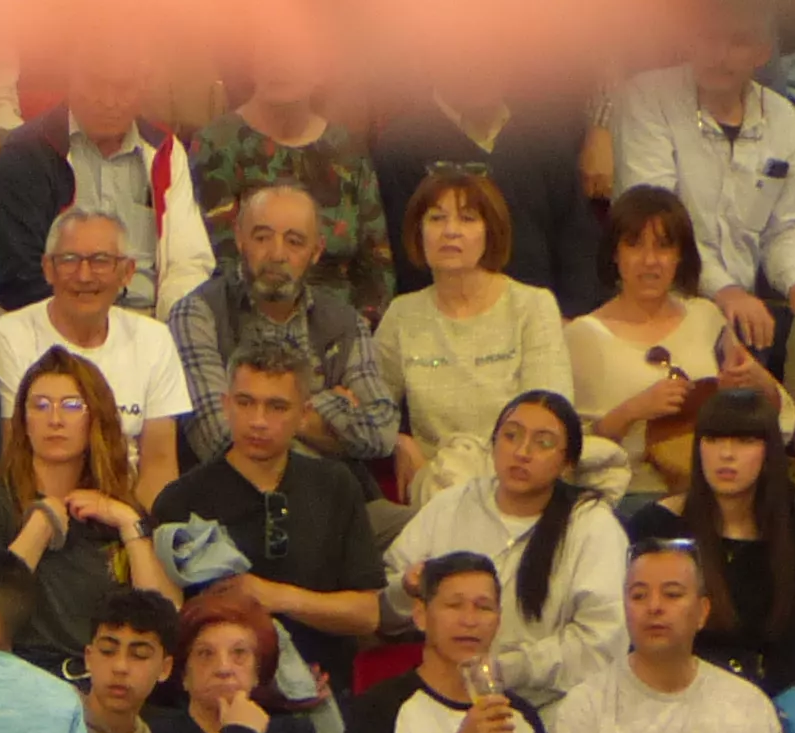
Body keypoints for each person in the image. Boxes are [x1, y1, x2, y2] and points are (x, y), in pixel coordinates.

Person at [148, 340, 384, 703]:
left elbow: (366, 614)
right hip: (215, 708)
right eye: (245, 403)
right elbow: (167, 623)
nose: (258, 421)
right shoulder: (182, 500)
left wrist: (276, 597)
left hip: (325, 698)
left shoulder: (335, 485)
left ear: (304, 414)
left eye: (276, 406)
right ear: (226, 405)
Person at [383, 388, 625, 711]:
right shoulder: (451, 505)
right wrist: (406, 588)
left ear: (567, 463)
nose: (522, 452)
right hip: (444, 700)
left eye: (543, 443)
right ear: (493, 444)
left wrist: (506, 670)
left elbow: (602, 640)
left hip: (552, 706)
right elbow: (382, 603)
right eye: (511, 436)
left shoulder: (592, 526)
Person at [608, 19, 795, 360]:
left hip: (741, 314)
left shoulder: (782, 118)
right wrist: (726, 290)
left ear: (763, 52)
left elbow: (782, 228)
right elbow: (658, 228)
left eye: (737, 41)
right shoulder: (646, 98)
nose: (718, 55)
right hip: (658, 301)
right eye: (707, 35)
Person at [367, 167, 570, 507]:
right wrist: (399, 440)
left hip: (519, 479)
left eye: (467, 219)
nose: (450, 231)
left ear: (491, 231)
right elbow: (370, 406)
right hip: (438, 485)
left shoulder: (533, 306)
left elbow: (550, 417)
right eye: (436, 218)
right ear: (419, 233)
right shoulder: (403, 314)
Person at [0, 347, 169, 673]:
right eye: (40, 406)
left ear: (95, 418)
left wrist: (130, 524)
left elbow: (162, 619)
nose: (55, 420)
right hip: (19, 672)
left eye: (71, 406)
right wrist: (40, 527)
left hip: (102, 677)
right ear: (23, 421)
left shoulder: (119, 510)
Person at [569, 186, 780, 506]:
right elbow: (566, 449)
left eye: (664, 246)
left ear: (680, 256)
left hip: (714, 491)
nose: (650, 261)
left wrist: (757, 383)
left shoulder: (706, 316)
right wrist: (632, 411)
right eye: (635, 245)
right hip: (628, 495)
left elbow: (768, 414)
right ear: (615, 253)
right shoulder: (582, 336)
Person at [165, 181, 397, 468]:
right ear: (240, 239)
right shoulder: (198, 314)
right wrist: (325, 411)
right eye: (262, 238)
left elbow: (383, 431)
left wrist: (264, 418)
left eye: (295, 241)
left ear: (316, 250)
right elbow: (219, 439)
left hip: (342, 496)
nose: (277, 255)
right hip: (238, 502)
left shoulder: (345, 322)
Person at [0, 206, 184, 495]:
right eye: (69, 260)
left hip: (127, 511)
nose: (85, 275)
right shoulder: (9, 337)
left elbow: (160, 464)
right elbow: (15, 454)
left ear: (127, 272)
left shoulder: (154, 339)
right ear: (48, 269)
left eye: (101, 261)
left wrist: (137, 528)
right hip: (38, 508)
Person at [0, 57, 204, 318]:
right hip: (55, 324)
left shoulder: (165, 151)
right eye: (96, 85)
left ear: (143, 86)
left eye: (124, 87)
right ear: (70, 79)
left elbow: (188, 263)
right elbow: (17, 280)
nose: (109, 102)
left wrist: (173, 328)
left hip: (153, 326)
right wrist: (103, 326)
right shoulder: (25, 152)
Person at [371, 87, 611, 325]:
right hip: (445, 328)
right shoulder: (401, 147)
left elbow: (579, 246)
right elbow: (410, 261)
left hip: (550, 323)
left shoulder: (544, 137)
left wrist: (568, 321)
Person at [544, 540, 786, 733]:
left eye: (672, 594)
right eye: (639, 596)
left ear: (702, 612)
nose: (654, 607)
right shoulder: (585, 708)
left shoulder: (748, 707)